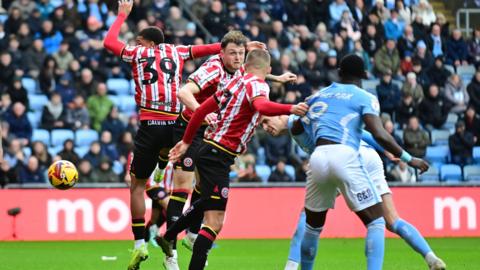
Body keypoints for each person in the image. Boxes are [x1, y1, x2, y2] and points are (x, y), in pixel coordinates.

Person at [159, 49, 308, 270]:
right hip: (219, 154)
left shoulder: (232, 84)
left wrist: (187, 142)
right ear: (267, 70)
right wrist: (289, 107)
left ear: (245, 66)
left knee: (207, 201)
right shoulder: (259, 86)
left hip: (207, 149)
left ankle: (169, 235)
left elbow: (199, 113)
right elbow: (261, 105)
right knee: (214, 223)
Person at [103, 1, 224, 269]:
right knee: (187, 186)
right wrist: (236, 48)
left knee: (136, 186)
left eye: (138, 39)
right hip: (177, 124)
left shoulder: (136, 53)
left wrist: (122, 15)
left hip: (149, 124)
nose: (135, 42)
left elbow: (109, 42)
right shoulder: (178, 52)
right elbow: (207, 49)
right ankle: (173, 256)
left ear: (146, 42)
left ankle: (139, 245)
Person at [283, 54, 429, 270]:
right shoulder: (365, 97)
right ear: (364, 75)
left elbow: (296, 126)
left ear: (339, 72)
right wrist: (409, 158)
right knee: (377, 221)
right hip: (345, 155)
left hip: (317, 157)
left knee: (312, 227)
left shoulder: (317, 96)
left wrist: (308, 143)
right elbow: (379, 134)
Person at [260, 116, 444, 270]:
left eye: (267, 121)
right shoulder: (300, 124)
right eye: (261, 125)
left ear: (278, 114)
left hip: (347, 159)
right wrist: (384, 148)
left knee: (308, 217)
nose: (265, 127)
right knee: (392, 220)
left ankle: (291, 267)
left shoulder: (298, 119)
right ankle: (431, 258)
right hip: (368, 156)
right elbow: (361, 133)